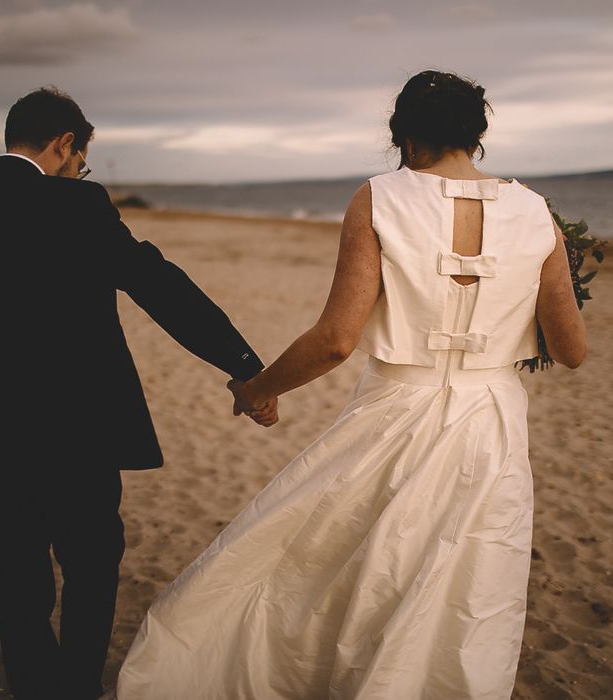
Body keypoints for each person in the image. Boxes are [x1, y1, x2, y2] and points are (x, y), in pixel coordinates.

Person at [109, 69, 587, 699]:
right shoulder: (534, 212)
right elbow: (572, 349)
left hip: (394, 411)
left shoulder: (380, 198)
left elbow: (336, 339)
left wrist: (258, 388)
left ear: (405, 137)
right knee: (461, 583)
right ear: (478, 134)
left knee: (328, 559)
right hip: (491, 423)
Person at [0, 87, 274, 700]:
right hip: (78, 428)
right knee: (92, 566)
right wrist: (244, 368)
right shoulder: (79, 204)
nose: (79, 170)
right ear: (65, 143)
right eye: (80, 159)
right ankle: (77, 688)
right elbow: (160, 287)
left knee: (15, 580)